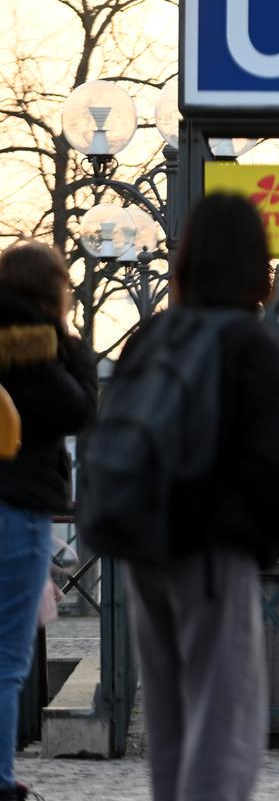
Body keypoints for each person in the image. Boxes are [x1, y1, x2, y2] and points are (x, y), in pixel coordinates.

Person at [123, 194, 279, 801]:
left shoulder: (151, 337)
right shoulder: (252, 344)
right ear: (256, 264)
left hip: (144, 550)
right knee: (224, 724)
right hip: (213, 550)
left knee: (171, 722)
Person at [0, 241, 97, 801]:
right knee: (7, 658)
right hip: (18, 511)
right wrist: (59, 347)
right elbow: (79, 409)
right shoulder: (46, 349)